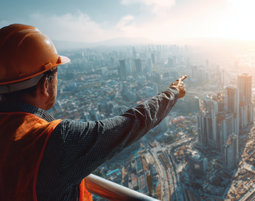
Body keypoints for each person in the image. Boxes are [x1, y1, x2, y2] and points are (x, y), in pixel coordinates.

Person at [0, 24, 185, 201]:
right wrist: (173, 92)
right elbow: (132, 123)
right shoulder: (56, 141)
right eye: (55, 73)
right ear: (45, 85)